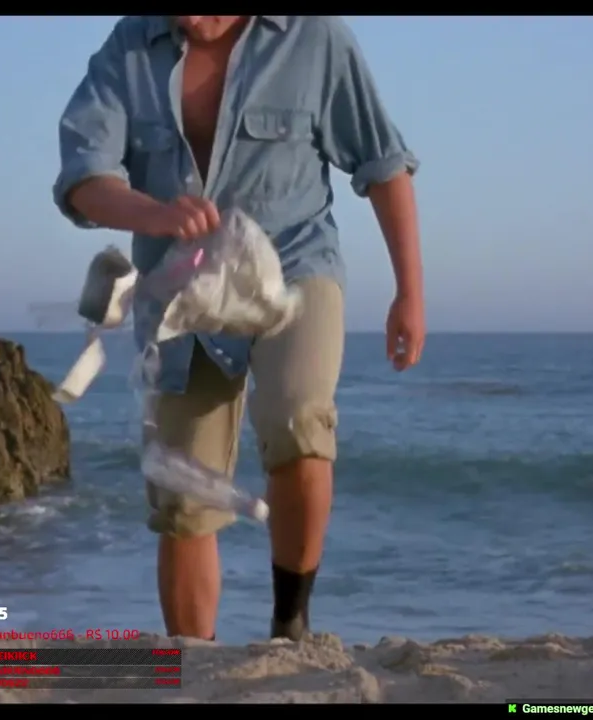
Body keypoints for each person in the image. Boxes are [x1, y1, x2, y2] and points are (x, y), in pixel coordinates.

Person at [53, 16, 425, 641]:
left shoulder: (314, 38)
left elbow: (384, 164)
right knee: (183, 493)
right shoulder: (131, 46)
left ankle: (290, 621)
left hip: (294, 269)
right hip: (181, 288)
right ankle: (195, 662)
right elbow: (84, 176)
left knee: (299, 419)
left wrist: (409, 293)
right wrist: (154, 213)